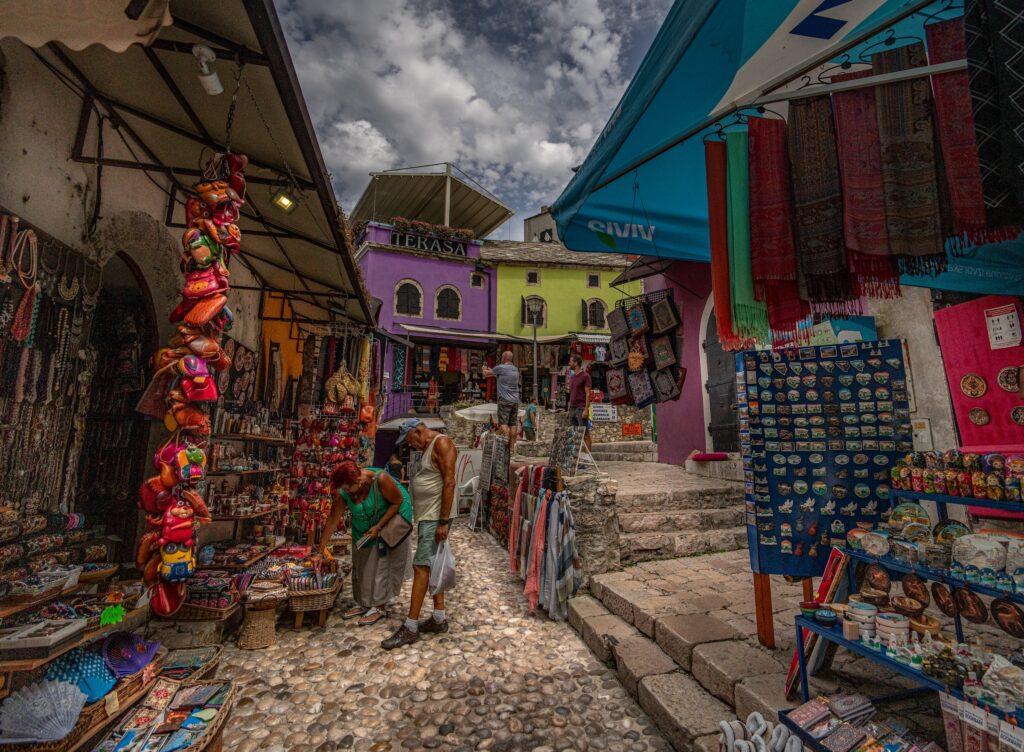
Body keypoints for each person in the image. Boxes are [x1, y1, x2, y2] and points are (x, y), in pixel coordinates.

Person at [382, 418, 458, 650]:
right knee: (431, 564)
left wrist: (443, 521)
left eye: (409, 440)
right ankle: (438, 618)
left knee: (421, 566)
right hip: (428, 515)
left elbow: (449, 482)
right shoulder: (427, 448)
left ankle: (411, 626)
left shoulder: (441, 443)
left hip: (435, 516)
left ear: (418, 431)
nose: (409, 446)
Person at [322, 461, 413, 626]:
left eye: (348, 488)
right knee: (361, 562)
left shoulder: (381, 479)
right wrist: (319, 550)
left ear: (358, 481)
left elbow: (397, 502)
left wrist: (378, 527)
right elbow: (332, 521)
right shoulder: (345, 492)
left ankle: (379, 606)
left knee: (381, 564)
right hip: (365, 525)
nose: (346, 492)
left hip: (390, 519)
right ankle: (365, 602)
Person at [483, 351, 520, 455]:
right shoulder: (515, 369)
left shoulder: (501, 367)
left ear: (504, 358)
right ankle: (512, 449)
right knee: (513, 424)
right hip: (515, 400)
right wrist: (492, 371)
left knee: (503, 423)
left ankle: (506, 443)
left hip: (504, 399)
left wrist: (483, 368)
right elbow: (497, 374)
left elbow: (486, 374)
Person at [567, 354, 592, 450]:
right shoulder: (572, 377)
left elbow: (588, 394)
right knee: (573, 434)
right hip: (572, 408)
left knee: (585, 433)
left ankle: (589, 457)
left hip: (581, 408)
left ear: (576, 363)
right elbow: (571, 394)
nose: (569, 363)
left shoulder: (585, 376)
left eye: (571, 361)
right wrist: (569, 410)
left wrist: (586, 409)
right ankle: (575, 457)